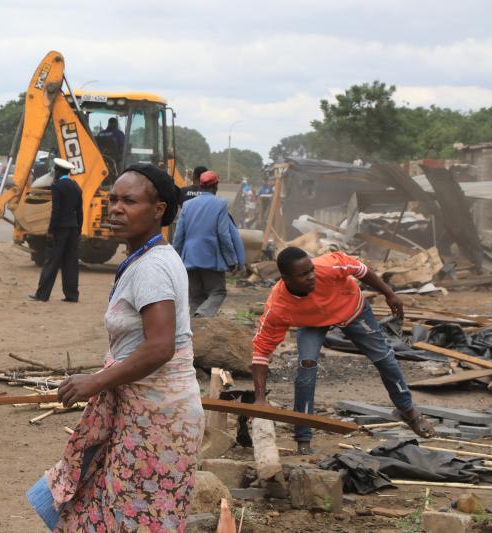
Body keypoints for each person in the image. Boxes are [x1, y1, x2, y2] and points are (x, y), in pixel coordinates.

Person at [28, 163, 203, 531]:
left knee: (137, 516)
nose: (116, 209)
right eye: (112, 200)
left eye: (130, 201)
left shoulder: (153, 268)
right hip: (142, 412)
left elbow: (159, 347)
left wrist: (96, 381)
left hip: (157, 419)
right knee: (111, 506)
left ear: (158, 211)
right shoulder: (145, 257)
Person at [251, 247, 435, 455]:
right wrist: (259, 399)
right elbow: (260, 352)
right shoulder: (278, 306)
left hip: (351, 310)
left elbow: (362, 270)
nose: (312, 276)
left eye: (311, 270)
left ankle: (409, 412)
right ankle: (303, 437)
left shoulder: (329, 265)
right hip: (312, 322)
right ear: (285, 278)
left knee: (384, 357)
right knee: (306, 368)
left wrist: (389, 293)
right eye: (303, 275)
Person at [173, 170, 245, 317]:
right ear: (216, 186)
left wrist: (175, 260)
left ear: (200, 185)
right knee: (218, 291)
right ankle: (202, 315)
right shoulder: (220, 204)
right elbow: (224, 235)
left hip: (189, 258)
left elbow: (178, 236)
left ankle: (195, 331)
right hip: (211, 258)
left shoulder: (187, 205)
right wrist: (232, 260)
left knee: (195, 297)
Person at [29, 158, 83, 302]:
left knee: (52, 261)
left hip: (60, 229)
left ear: (58, 172)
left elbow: (56, 211)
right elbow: (80, 212)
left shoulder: (57, 186)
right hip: (73, 229)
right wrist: (79, 230)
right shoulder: (76, 186)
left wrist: (51, 231)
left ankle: (42, 294)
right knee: (71, 262)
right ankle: (72, 295)